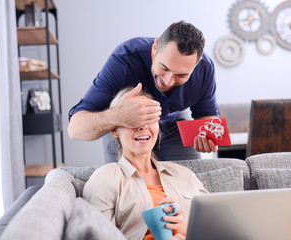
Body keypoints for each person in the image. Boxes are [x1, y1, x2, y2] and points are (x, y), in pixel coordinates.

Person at [68, 20, 219, 163]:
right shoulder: (124, 61)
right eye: (164, 68)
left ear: (197, 64)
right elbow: (75, 129)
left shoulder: (205, 69)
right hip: (125, 124)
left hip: (173, 123)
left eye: (181, 75)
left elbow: (207, 116)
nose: (168, 81)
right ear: (155, 48)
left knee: (188, 179)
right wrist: (117, 116)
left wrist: (209, 136)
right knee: (123, 183)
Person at [83, 88, 209, 240]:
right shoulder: (104, 178)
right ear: (115, 130)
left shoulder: (185, 174)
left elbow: (216, 227)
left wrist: (185, 228)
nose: (143, 126)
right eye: (133, 120)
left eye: (149, 119)